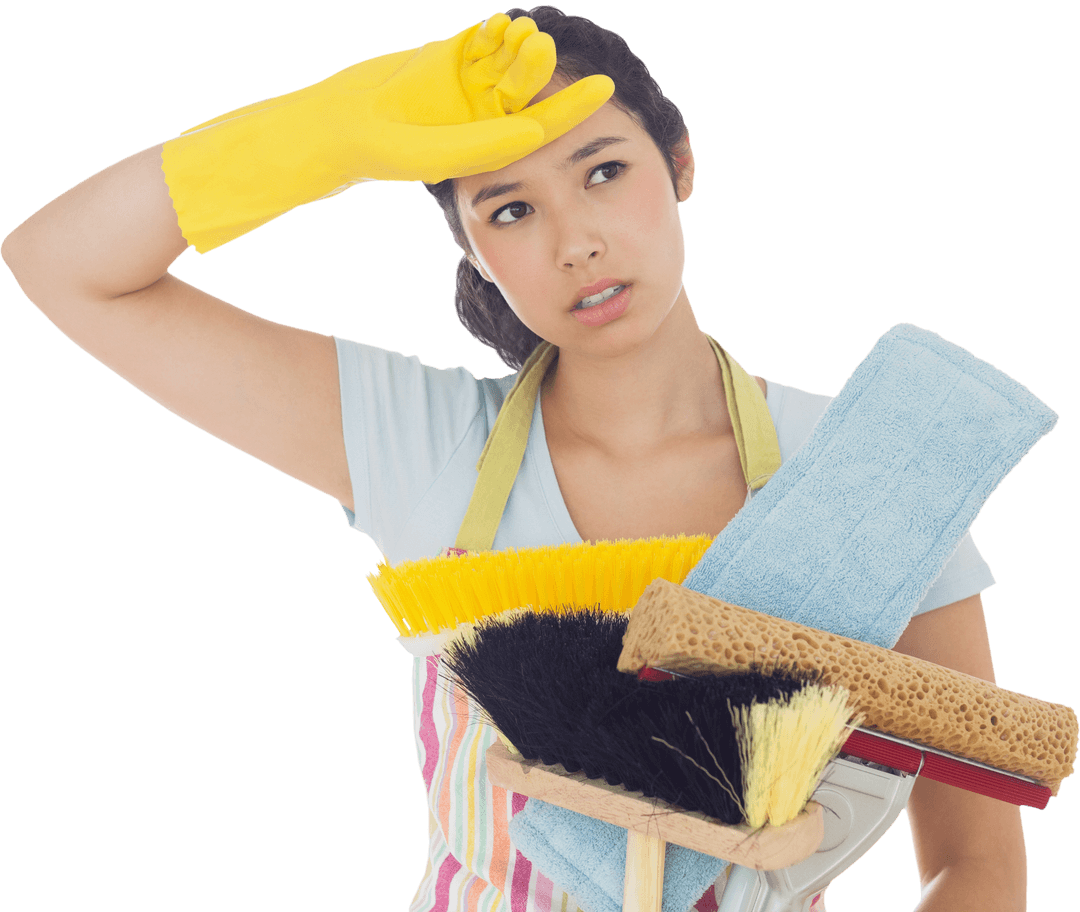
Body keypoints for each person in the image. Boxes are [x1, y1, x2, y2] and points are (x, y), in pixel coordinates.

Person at [1, 6, 1027, 911]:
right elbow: (63, 266)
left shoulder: (870, 476)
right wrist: (331, 131)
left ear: (678, 164)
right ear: (473, 251)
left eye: (603, 172)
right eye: (511, 208)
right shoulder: (418, 441)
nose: (574, 240)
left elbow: (974, 864)